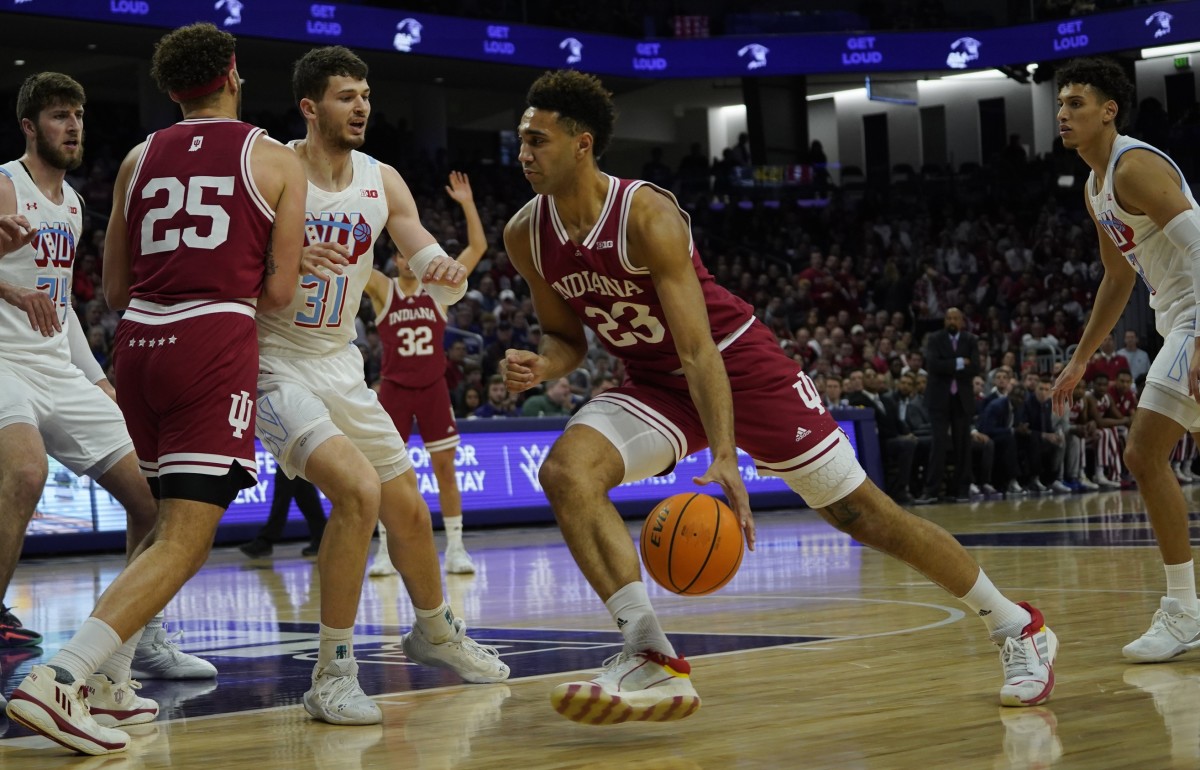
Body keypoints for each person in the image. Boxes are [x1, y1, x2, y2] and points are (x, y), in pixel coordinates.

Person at [502, 69, 1056, 725]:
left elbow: (699, 350)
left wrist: (726, 456)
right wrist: (543, 362)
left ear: (582, 144)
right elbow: (567, 337)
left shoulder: (646, 215)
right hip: (654, 383)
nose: (523, 153)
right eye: (521, 140)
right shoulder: (525, 233)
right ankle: (649, 653)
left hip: (741, 368)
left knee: (862, 515)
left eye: (537, 140)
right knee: (567, 473)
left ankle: (1017, 626)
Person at [6, 25, 306, 755]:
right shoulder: (276, 158)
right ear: (232, 76)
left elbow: (111, 290)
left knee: (152, 513)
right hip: (209, 342)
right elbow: (279, 295)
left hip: (137, 342)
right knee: (184, 537)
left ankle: (114, 676)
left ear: (171, 90)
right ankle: (61, 677)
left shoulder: (137, 159)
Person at [254, 45, 508, 726]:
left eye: (365, 94)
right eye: (346, 95)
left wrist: (444, 267)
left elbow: (422, 248)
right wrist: (282, 257)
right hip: (272, 361)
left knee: (410, 512)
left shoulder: (382, 179)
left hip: (341, 363)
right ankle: (332, 673)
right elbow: (227, 262)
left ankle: (436, 631)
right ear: (310, 108)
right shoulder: (271, 170)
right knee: (358, 494)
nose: (362, 105)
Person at [0, 71, 221, 690]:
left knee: (154, 500)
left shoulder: (71, 205)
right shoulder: (5, 184)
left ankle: (136, 637)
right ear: (29, 127)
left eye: (77, 115)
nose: (72, 126)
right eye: (58, 116)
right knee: (26, 472)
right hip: (4, 361)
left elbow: (62, 304)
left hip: (56, 368)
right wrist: (11, 289)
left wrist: (99, 382)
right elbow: (25, 290)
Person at [1049, 57, 1200, 662]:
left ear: (1109, 111)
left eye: (1076, 104)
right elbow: (1117, 277)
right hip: (1178, 319)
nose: (1063, 114)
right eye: (1060, 105)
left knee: (1142, 453)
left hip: (1196, 315)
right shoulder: (1096, 188)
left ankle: (1183, 610)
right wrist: (1081, 359)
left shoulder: (1133, 167)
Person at [365, 171, 487, 578]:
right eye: (400, 255)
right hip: (395, 389)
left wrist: (467, 203)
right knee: (385, 473)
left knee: (445, 470)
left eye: (409, 254)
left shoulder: (439, 288)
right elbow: (351, 262)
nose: (406, 260)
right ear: (395, 259)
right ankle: (385, 551)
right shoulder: (382, 289)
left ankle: (456, 548)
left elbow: (478, 247)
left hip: (433, 388)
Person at [916, 307, 980, 503]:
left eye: (955, 318)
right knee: (939, 444)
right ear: (945, 321)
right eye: (949, 318)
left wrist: (948, 365)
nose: (952, 321)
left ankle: (961, 489)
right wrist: (960, 362)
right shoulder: (935, 339)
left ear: (962, 321)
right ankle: (931, 490)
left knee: (963, 445)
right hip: (939, 399)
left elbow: (975, 367)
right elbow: (933, 365)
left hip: (962, 399)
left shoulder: (971, 340)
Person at [238, 473, 327, 558]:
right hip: (296, 462)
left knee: (284, 492)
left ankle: (266, 540)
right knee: (304, 492)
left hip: (293, 462)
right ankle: (323, 539)